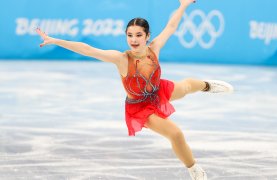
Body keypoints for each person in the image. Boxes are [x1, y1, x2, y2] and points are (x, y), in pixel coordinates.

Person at [36, 0, 233, 179]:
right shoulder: (121, 59)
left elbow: (171, 26)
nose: (134, 39)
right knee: (176, 134)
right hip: (140, 108)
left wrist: (182, 5)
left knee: (189, 85)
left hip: (158, 90)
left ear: (147, 36)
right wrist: (55, 41)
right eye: (130, 35)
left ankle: (208, 86)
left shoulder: (154, 48)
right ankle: (194, 169)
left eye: (139, 35)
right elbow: (87, 49)